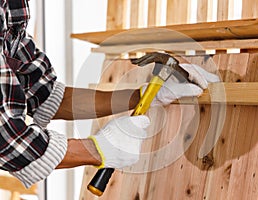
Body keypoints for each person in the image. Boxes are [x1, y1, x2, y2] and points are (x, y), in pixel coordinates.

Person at [0, 0, 220, 188]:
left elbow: (44, 94)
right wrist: (97, 149)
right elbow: (6, 139)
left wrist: (143, 95)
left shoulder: (11, 9)